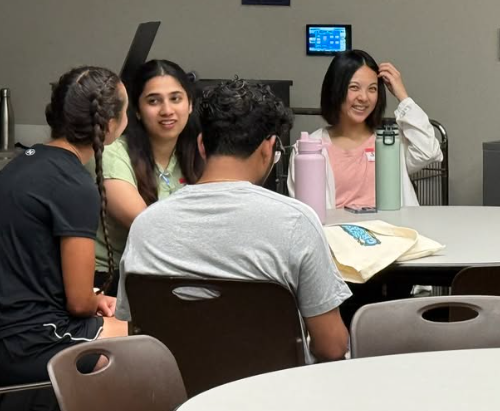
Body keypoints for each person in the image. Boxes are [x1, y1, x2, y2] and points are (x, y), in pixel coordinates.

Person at [117, 78, 352, 362]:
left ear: (202, 145)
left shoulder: (146, 225)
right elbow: (332, 348)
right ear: (269, 148)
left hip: (180, 399)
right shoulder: (296, 222)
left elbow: (138, 333)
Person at [0, 66, 129, 391]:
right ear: (109, 126)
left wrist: (91, 298)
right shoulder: (74, 185)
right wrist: (91, 299)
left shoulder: (22, 160)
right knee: (145, 343)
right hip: (31, 342)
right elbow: (78, 304)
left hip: (11, 329)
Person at [89, 59, 203, 295]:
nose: (167, 110)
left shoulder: (199, 151)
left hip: (170, 272)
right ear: (137, 111)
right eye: (153, 101)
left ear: (190, 104)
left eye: (176, 98)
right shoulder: (113, 153)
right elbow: (146, 225)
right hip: (111, 280)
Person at [287, 49, 442, 209]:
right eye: (354, 87)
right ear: (335, 90)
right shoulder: (309, 149)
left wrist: (401, 94)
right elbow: (308, 215)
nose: (364, 97)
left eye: (372, 89)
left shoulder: (390, 142)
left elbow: (428, 151)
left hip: (392, 231)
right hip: (337, 232)